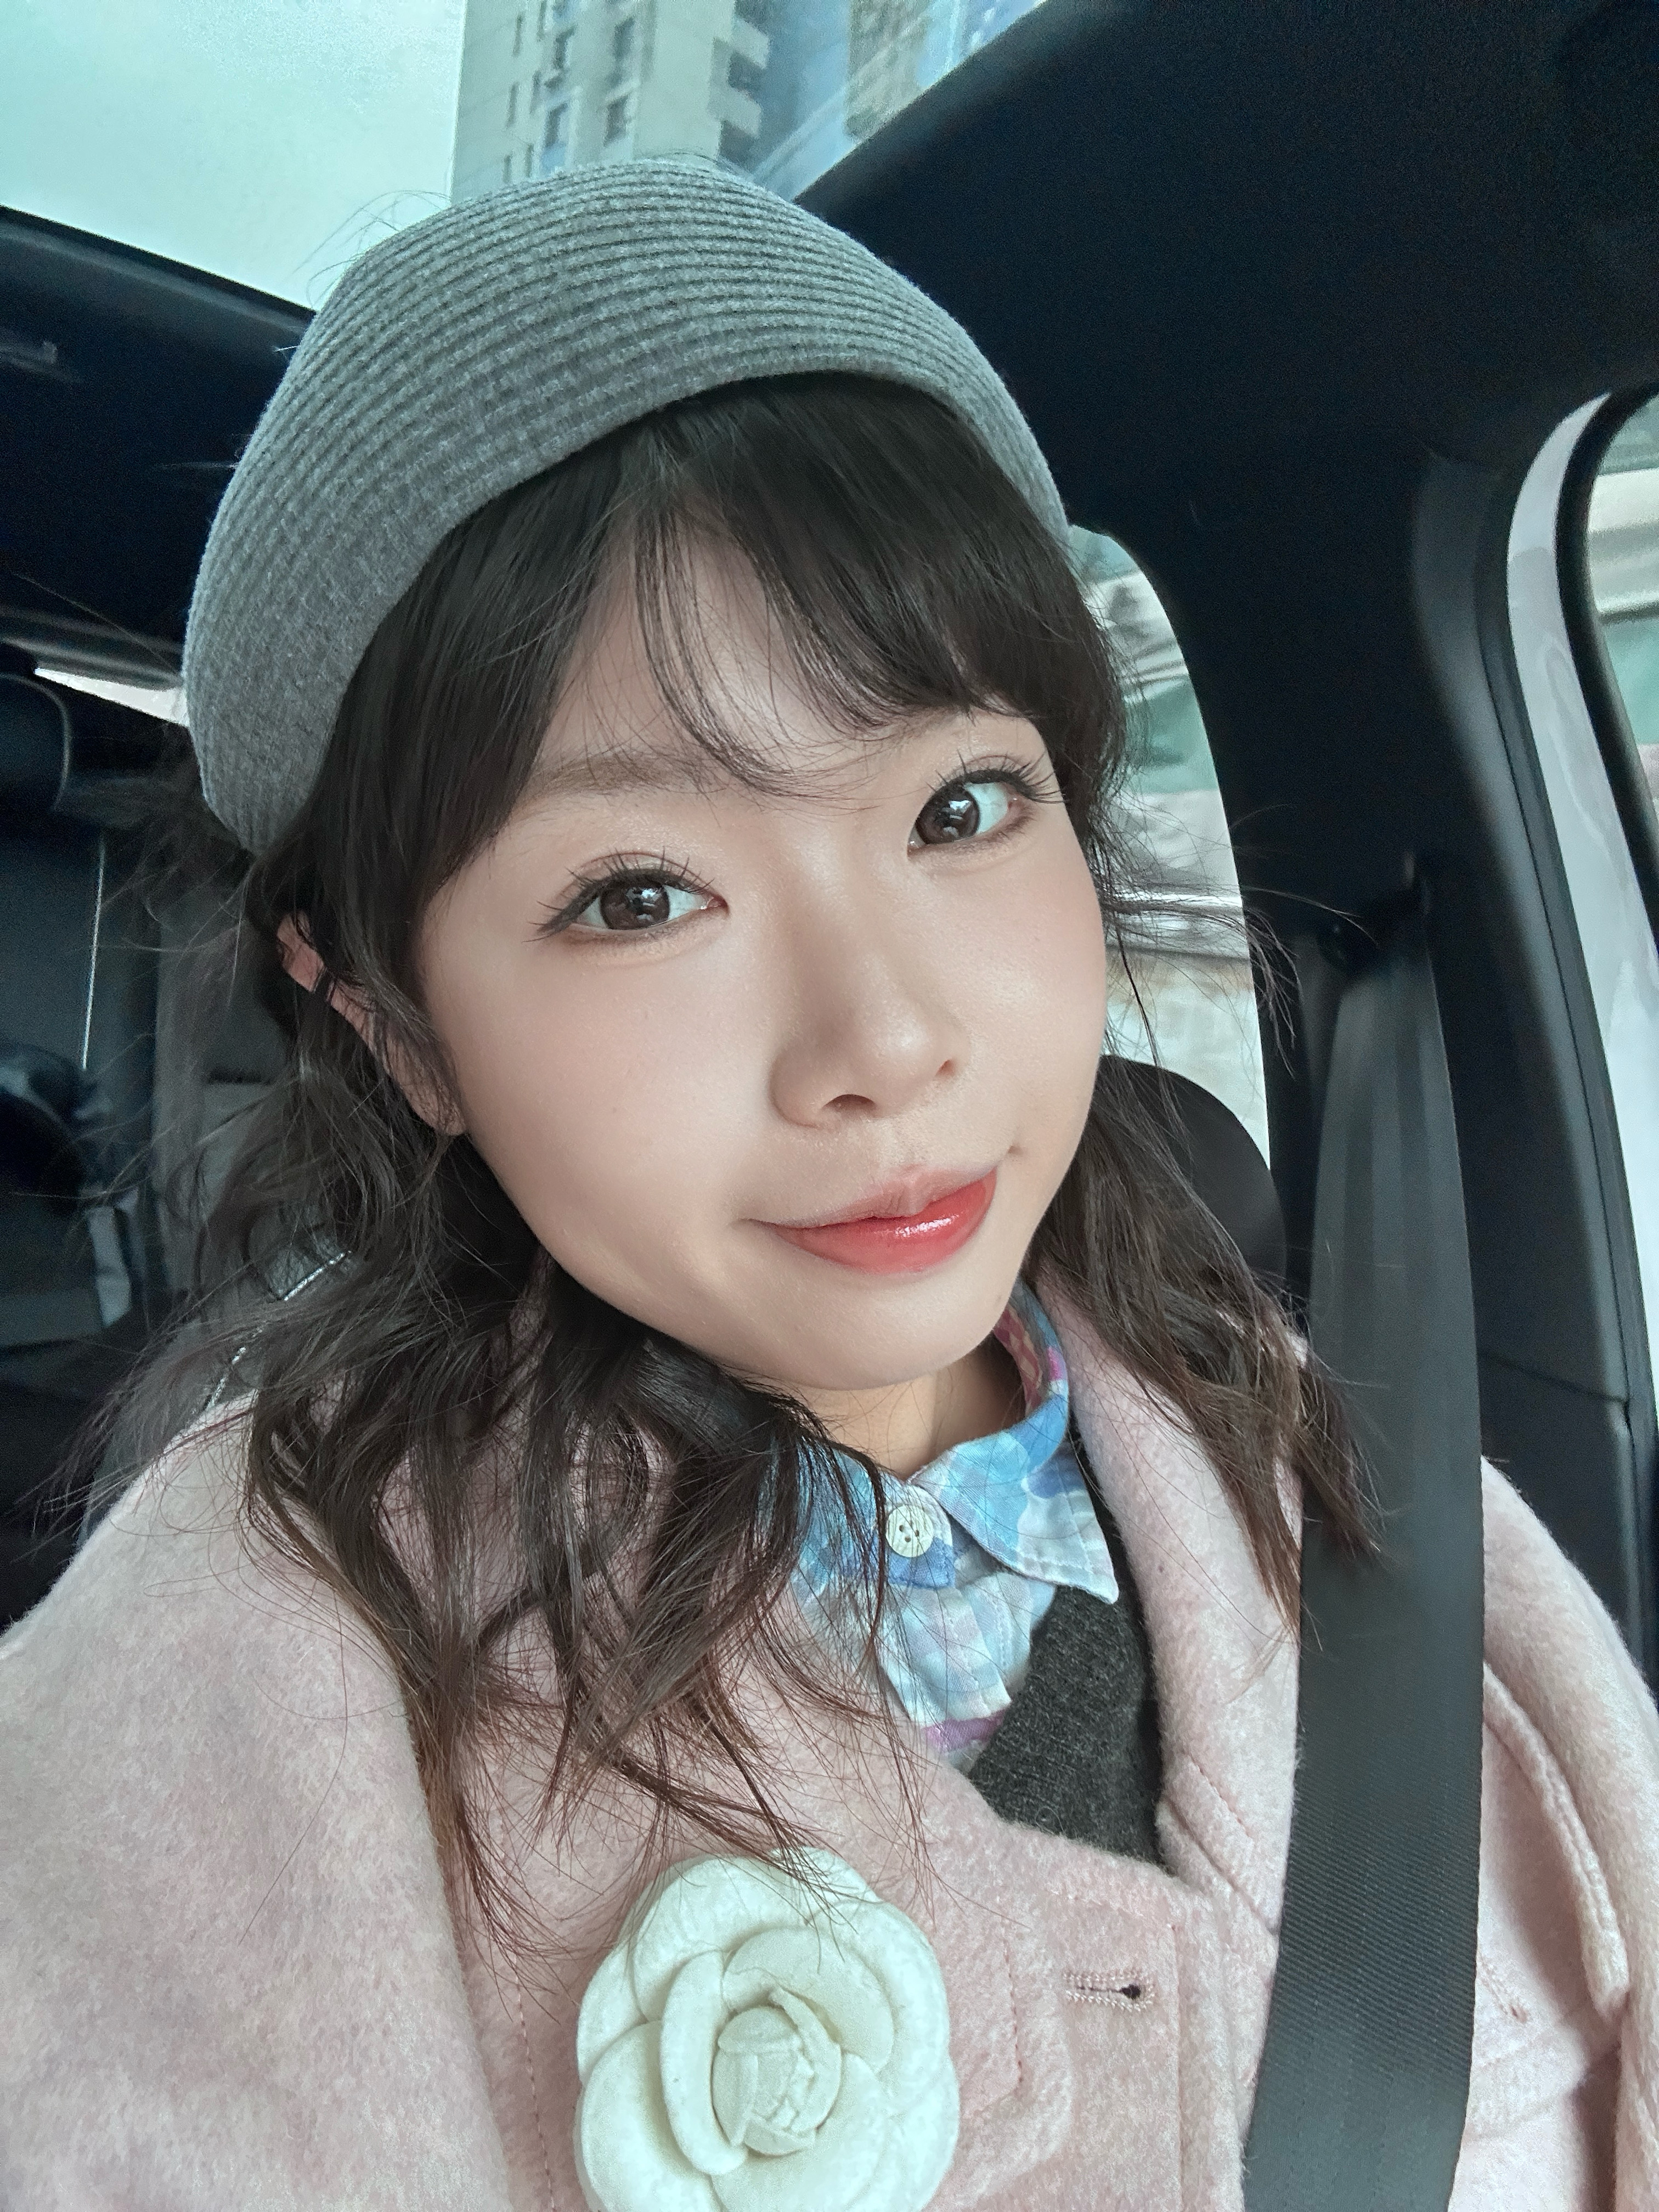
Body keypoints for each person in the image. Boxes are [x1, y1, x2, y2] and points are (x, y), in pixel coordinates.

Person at [2, 160, 1656, 2212]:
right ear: (395, 1024)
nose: (882, 1040)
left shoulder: (1330, 1458)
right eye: (640, 894)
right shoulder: (239, 1674)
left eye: (961, 806)